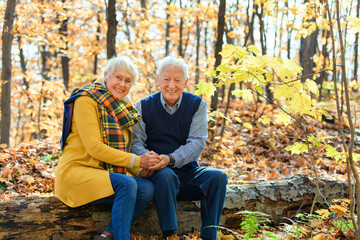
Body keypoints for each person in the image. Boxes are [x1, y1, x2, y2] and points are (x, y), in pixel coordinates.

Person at [55, 56, 160, 240]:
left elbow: (122, 151)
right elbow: (95, 148)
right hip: (76, 173)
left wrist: (141, 170)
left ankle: (106, 236)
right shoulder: (86, 100)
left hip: (103, 174)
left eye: (128, 81)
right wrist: (137, 160)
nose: (122, 84)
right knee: (126, 184)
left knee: (146, 188)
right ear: (106, 76)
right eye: (118, 77)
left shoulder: (123, 108)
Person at [131, 56, 228, 240]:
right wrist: (151, 159)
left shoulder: (197, 105)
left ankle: (209, 235)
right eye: (166, 79)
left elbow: (197, 142)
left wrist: (171, 158)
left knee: (218, 177)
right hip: (157, 175)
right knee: (166, 175)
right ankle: (170, 235)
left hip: (188, 173)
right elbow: (136, 143)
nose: (171, 85)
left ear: (186, 82)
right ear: (158, 80)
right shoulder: (143, 106)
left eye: (177, 80)